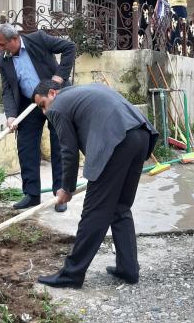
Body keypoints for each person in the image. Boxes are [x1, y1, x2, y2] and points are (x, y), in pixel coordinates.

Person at [31, 81, 158, 289]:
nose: (44, 112)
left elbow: (68, 151)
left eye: (42, 105)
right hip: (141, 135)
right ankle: (128, 269)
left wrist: (67, 189)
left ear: (52, 93)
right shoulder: (83, 91)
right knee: (120, 207)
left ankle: (71, 274)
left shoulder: (58, 107)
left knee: (94, 212)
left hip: (116, 142)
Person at [0, 24, 75, 211]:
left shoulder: (38, 39)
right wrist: (11, 116)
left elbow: (69, 47)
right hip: (28, 104)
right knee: (26, 147)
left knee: (59, 145)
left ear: (15, 39)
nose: (0, 48)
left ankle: (60, 195)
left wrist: (60, 76)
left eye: (2, 44)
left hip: (54, 99)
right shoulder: (2, 61)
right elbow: (7, 90)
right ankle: (31, 195)